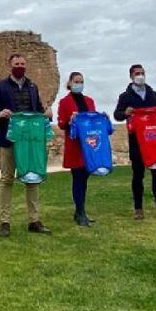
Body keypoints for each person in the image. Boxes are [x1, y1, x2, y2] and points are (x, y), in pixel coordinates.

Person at [0, 53, 52, 236]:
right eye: (17, 63)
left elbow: (38, 110)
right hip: (9, 139)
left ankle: (34, 220)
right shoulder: (0, 86)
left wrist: (47, 113)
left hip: (30, 141)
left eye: (23, 63)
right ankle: (5, 222)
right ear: (10, 65)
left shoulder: (32, 86)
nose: (20, 66)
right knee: (7, 179)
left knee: (32, 179)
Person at [113, 63, 156, 220]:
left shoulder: (152, 94)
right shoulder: (125, 96)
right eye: (137, 73)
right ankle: (138, 208)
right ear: (131, 76)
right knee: (138, 175)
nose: (140, 75)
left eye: (142, 73)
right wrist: (124, 112)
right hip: (137, 141)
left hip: (154, 141)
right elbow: (117, 115)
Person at [57, 71, 100, 227]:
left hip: (88, 145)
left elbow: (94, 120)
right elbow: (62, 123)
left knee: (85, 179)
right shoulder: (64, 102)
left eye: (81, 81)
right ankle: (80, 211)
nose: (78, 84)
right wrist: (71, 120)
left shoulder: (89, 101)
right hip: (75, 146)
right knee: (78, 179)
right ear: (69, 83)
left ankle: (80, 211)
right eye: (76, 81)